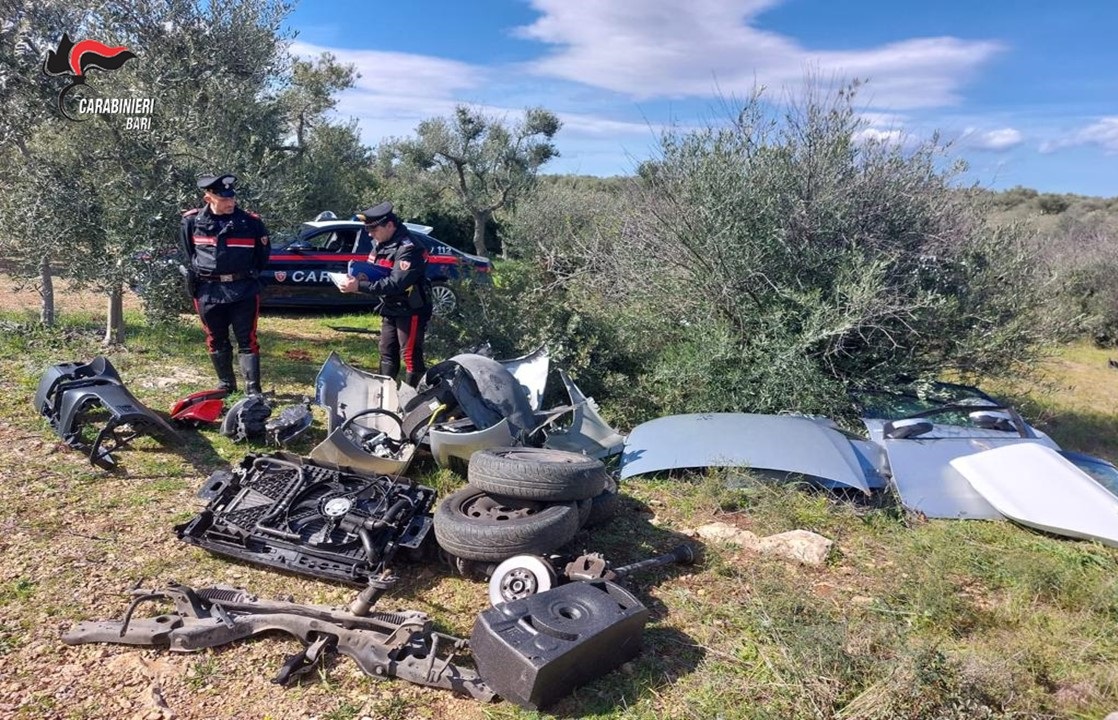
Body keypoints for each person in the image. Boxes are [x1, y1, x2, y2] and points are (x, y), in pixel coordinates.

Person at [180, 173, 270, 395]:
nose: (230, 203)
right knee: (215, 338)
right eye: (223, 199)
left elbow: (262, 257)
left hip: (243, 290)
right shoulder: (192, 222)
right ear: (208, 198)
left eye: (232, 197)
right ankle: (226, 385)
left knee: (247, 339)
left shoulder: (251, 223)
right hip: (208, 291)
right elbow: (189, 254)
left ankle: (253, 389)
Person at [339, 201, 432, 386]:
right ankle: (384, 393)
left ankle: (416, 397)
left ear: (389, 225)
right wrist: (356, 280)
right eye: (368, 229)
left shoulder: (409, 248)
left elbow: (396, 283)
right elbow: (374, 273)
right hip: (390, 306)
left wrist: (359, 286)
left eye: (373, 229)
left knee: (410, 355)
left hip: (410, 308)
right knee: (387, 352)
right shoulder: (380, 244)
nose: (370, 234)